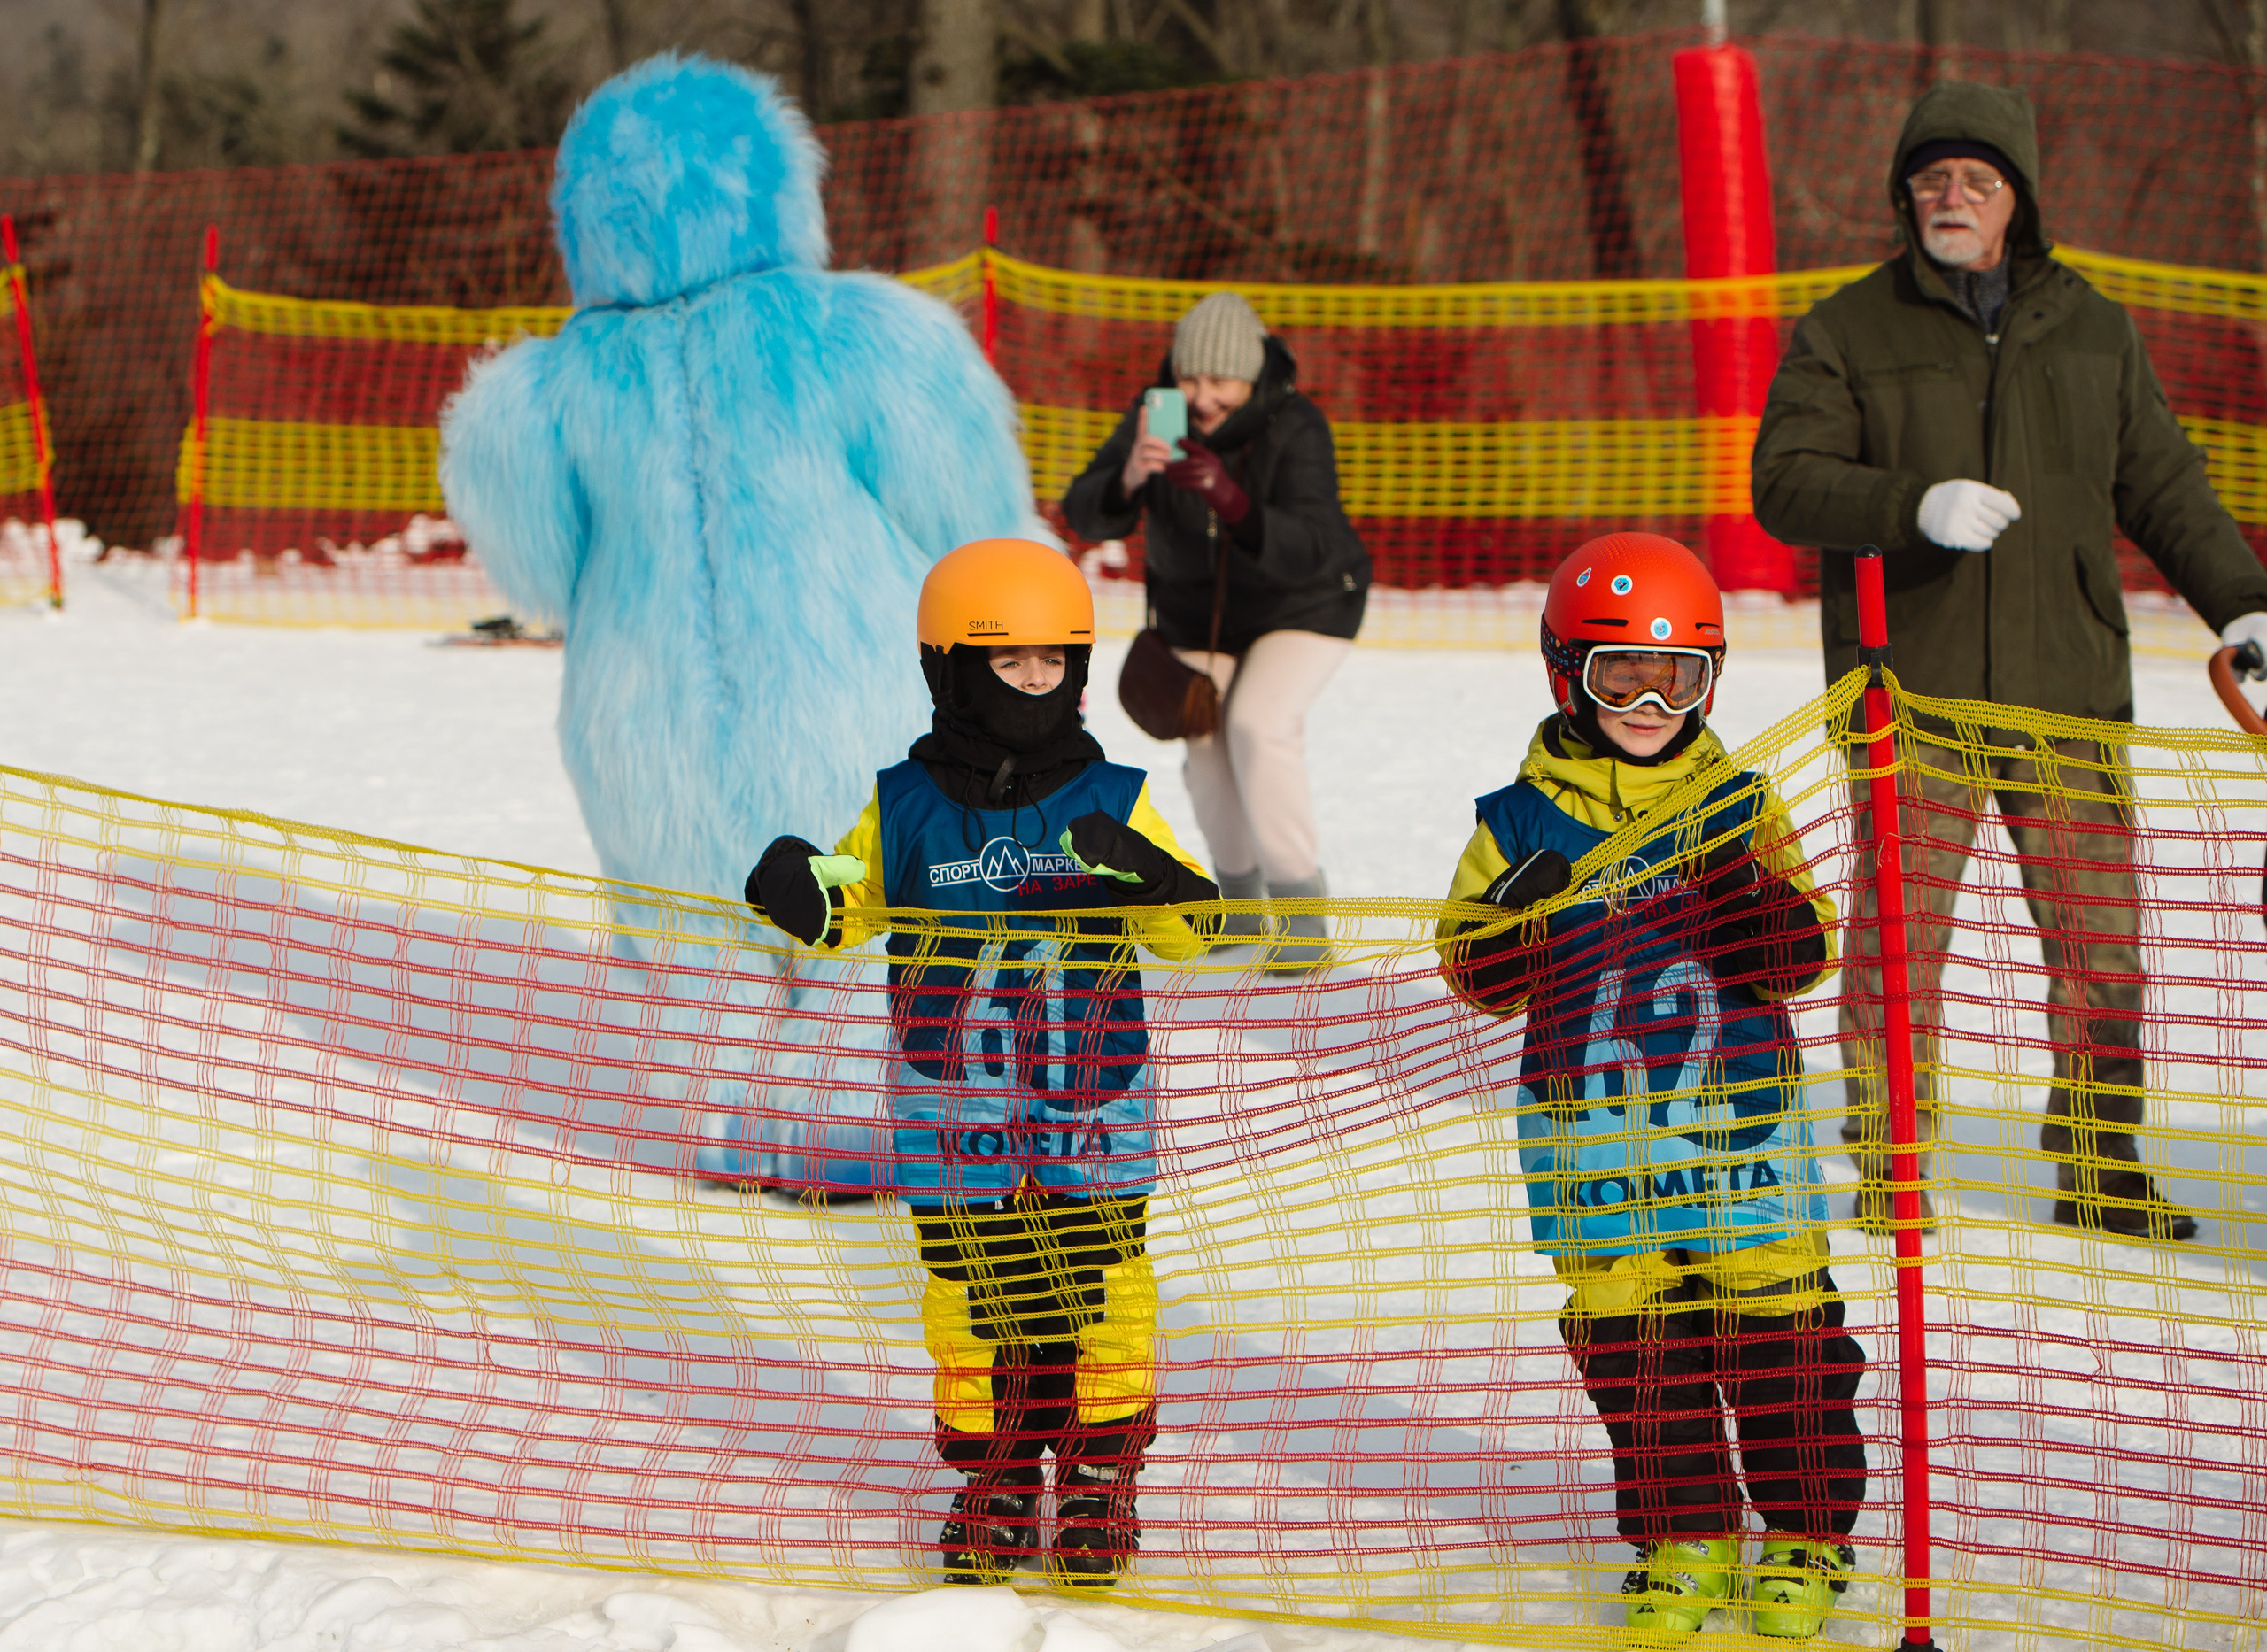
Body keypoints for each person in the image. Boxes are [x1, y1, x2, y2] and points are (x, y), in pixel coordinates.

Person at [1752, 81, 2267, 1240]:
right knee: (1898, 950)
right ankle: (1892, 1166)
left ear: (2019, 199)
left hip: (2067, 689)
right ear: (1904, 197)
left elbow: (2166, 486)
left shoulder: (2093, 328)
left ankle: (2098, 1167)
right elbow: (1781, 481)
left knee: (2104, 945)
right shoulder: (1848, 328)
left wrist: (2244, 604)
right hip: (1912, 691)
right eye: (1931, 179)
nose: (1952, 197)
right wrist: (1908, 502)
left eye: (1976, 180)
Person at [745, 537, 1216, 1586]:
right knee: (972, 1296)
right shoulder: (904, 806)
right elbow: (843, 905)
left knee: (1104, 1294)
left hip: (1093, 1102)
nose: (1036, 685)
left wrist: (1151, 876)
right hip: (950, 1111)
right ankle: (994, 1475)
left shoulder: (1111, 793)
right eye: (1011, 665)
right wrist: (794, 883)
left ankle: (1098, 1477)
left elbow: (1193, 929)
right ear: (951, 671)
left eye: (1055, 664)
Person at [1437, 535, 1865, 1643]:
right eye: (1616, 675)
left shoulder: (1739, 797)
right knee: (1635, 1347)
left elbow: (1799, 953)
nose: (1647, 700)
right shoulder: (1517, 821)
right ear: (1562, 675)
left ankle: (1806, 1527)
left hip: (1740, 1129)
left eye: (1677, 677)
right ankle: (1686, 1535)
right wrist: (1511, 926)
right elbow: (1473, 975)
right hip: (1591, 1140)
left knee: (1775, 1333)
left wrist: (1738, 880)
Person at [1063, 290, 1370, 963]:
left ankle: (1300, 916)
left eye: (1219, 381)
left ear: (1252, 374)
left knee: (1257, 724)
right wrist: (1131, 475)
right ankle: (1238, 904)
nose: (1202, 397)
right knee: (1202, 741)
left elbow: (1315, 543)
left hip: (1306, 603)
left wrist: (1230, 500)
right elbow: (1083, 512)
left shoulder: (1294, 423)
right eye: (1190, 377)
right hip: (1200, 615)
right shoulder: (1156, 414)